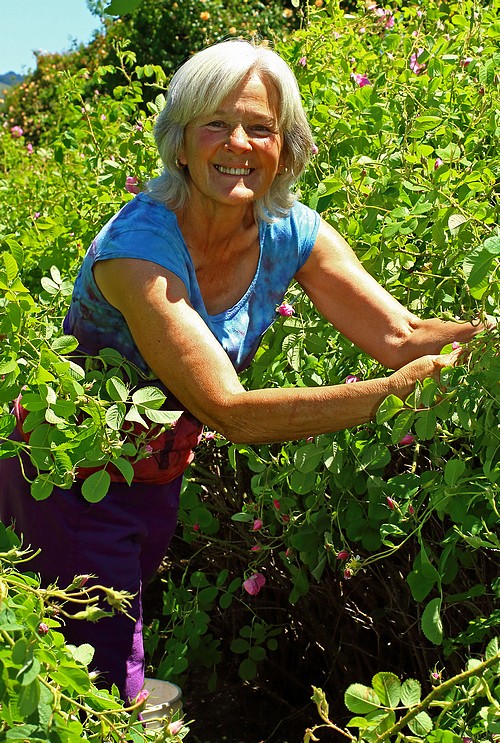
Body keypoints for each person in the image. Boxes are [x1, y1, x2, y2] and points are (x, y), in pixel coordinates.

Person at [0, 39, 489, 705]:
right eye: (216, 124)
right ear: (179, 142)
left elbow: (401, 334)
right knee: (98, 674)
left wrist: (484, 337)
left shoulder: (289, 229)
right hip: (66, 476)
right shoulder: (138, 250)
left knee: (107, 649)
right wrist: (392, 396)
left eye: (261, 127)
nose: (238, 142)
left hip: (154, 471)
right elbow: (228, 409)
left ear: (286, 148)